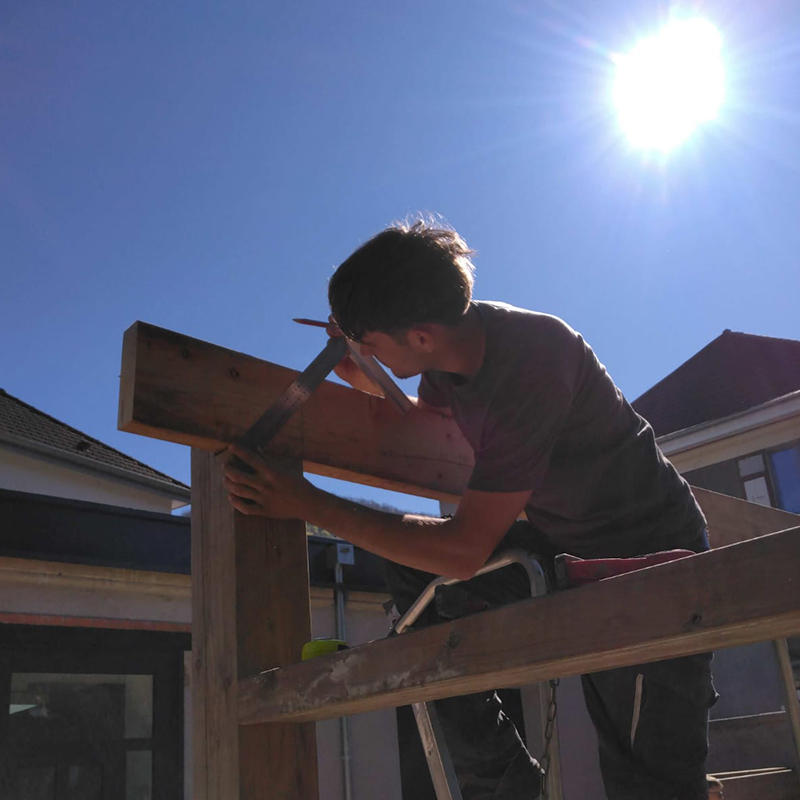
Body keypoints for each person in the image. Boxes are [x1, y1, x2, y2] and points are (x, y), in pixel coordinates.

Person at [223, 218, 718, 800]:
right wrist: (366, 371)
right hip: (566, 544)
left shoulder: (531, 363)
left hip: (646, 559)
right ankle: (504, 784)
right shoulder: (452, 352)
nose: (360, 348)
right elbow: (432, 421)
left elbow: (462, 551)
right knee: (417, 579)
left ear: (421, 337)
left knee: (648, 777)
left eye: (368, 341)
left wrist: (304, 502)